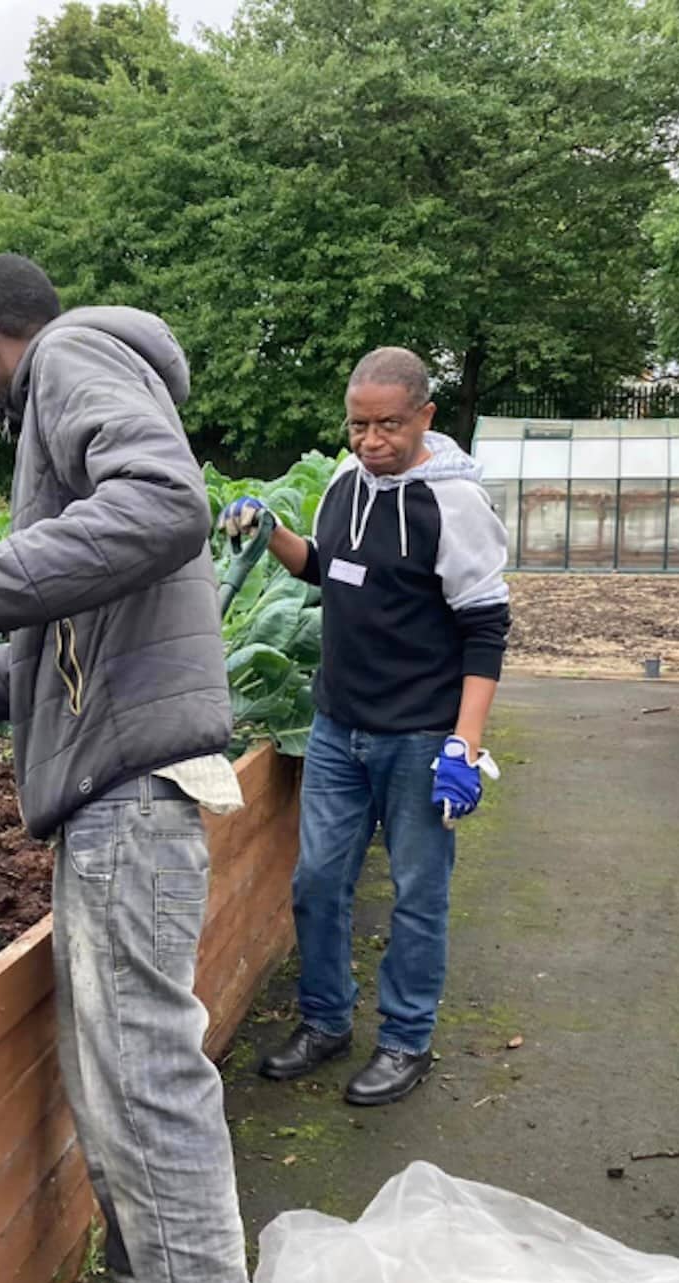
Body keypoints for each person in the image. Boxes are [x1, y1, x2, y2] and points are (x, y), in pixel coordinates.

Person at [0, 254, 304, 1283]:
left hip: (129, 797)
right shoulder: (78, 392)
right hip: (112, 789)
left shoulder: (69, 360)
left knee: (148, 1090)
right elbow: (75, 651)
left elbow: (168, 507)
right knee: (114, 1092)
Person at [221, 347, 511, 1107]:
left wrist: (464, 744)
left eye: (388, 425)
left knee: (418, 893)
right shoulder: (347, 486)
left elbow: (485, 628)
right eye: (358, 426)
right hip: (337, 727)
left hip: (419, 738)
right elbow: (326, 568)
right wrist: (269, 529)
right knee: (318, 881)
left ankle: (406, 1039)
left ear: (425, 418)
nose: (371, 441)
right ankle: (325, 1021)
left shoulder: (453, 505)